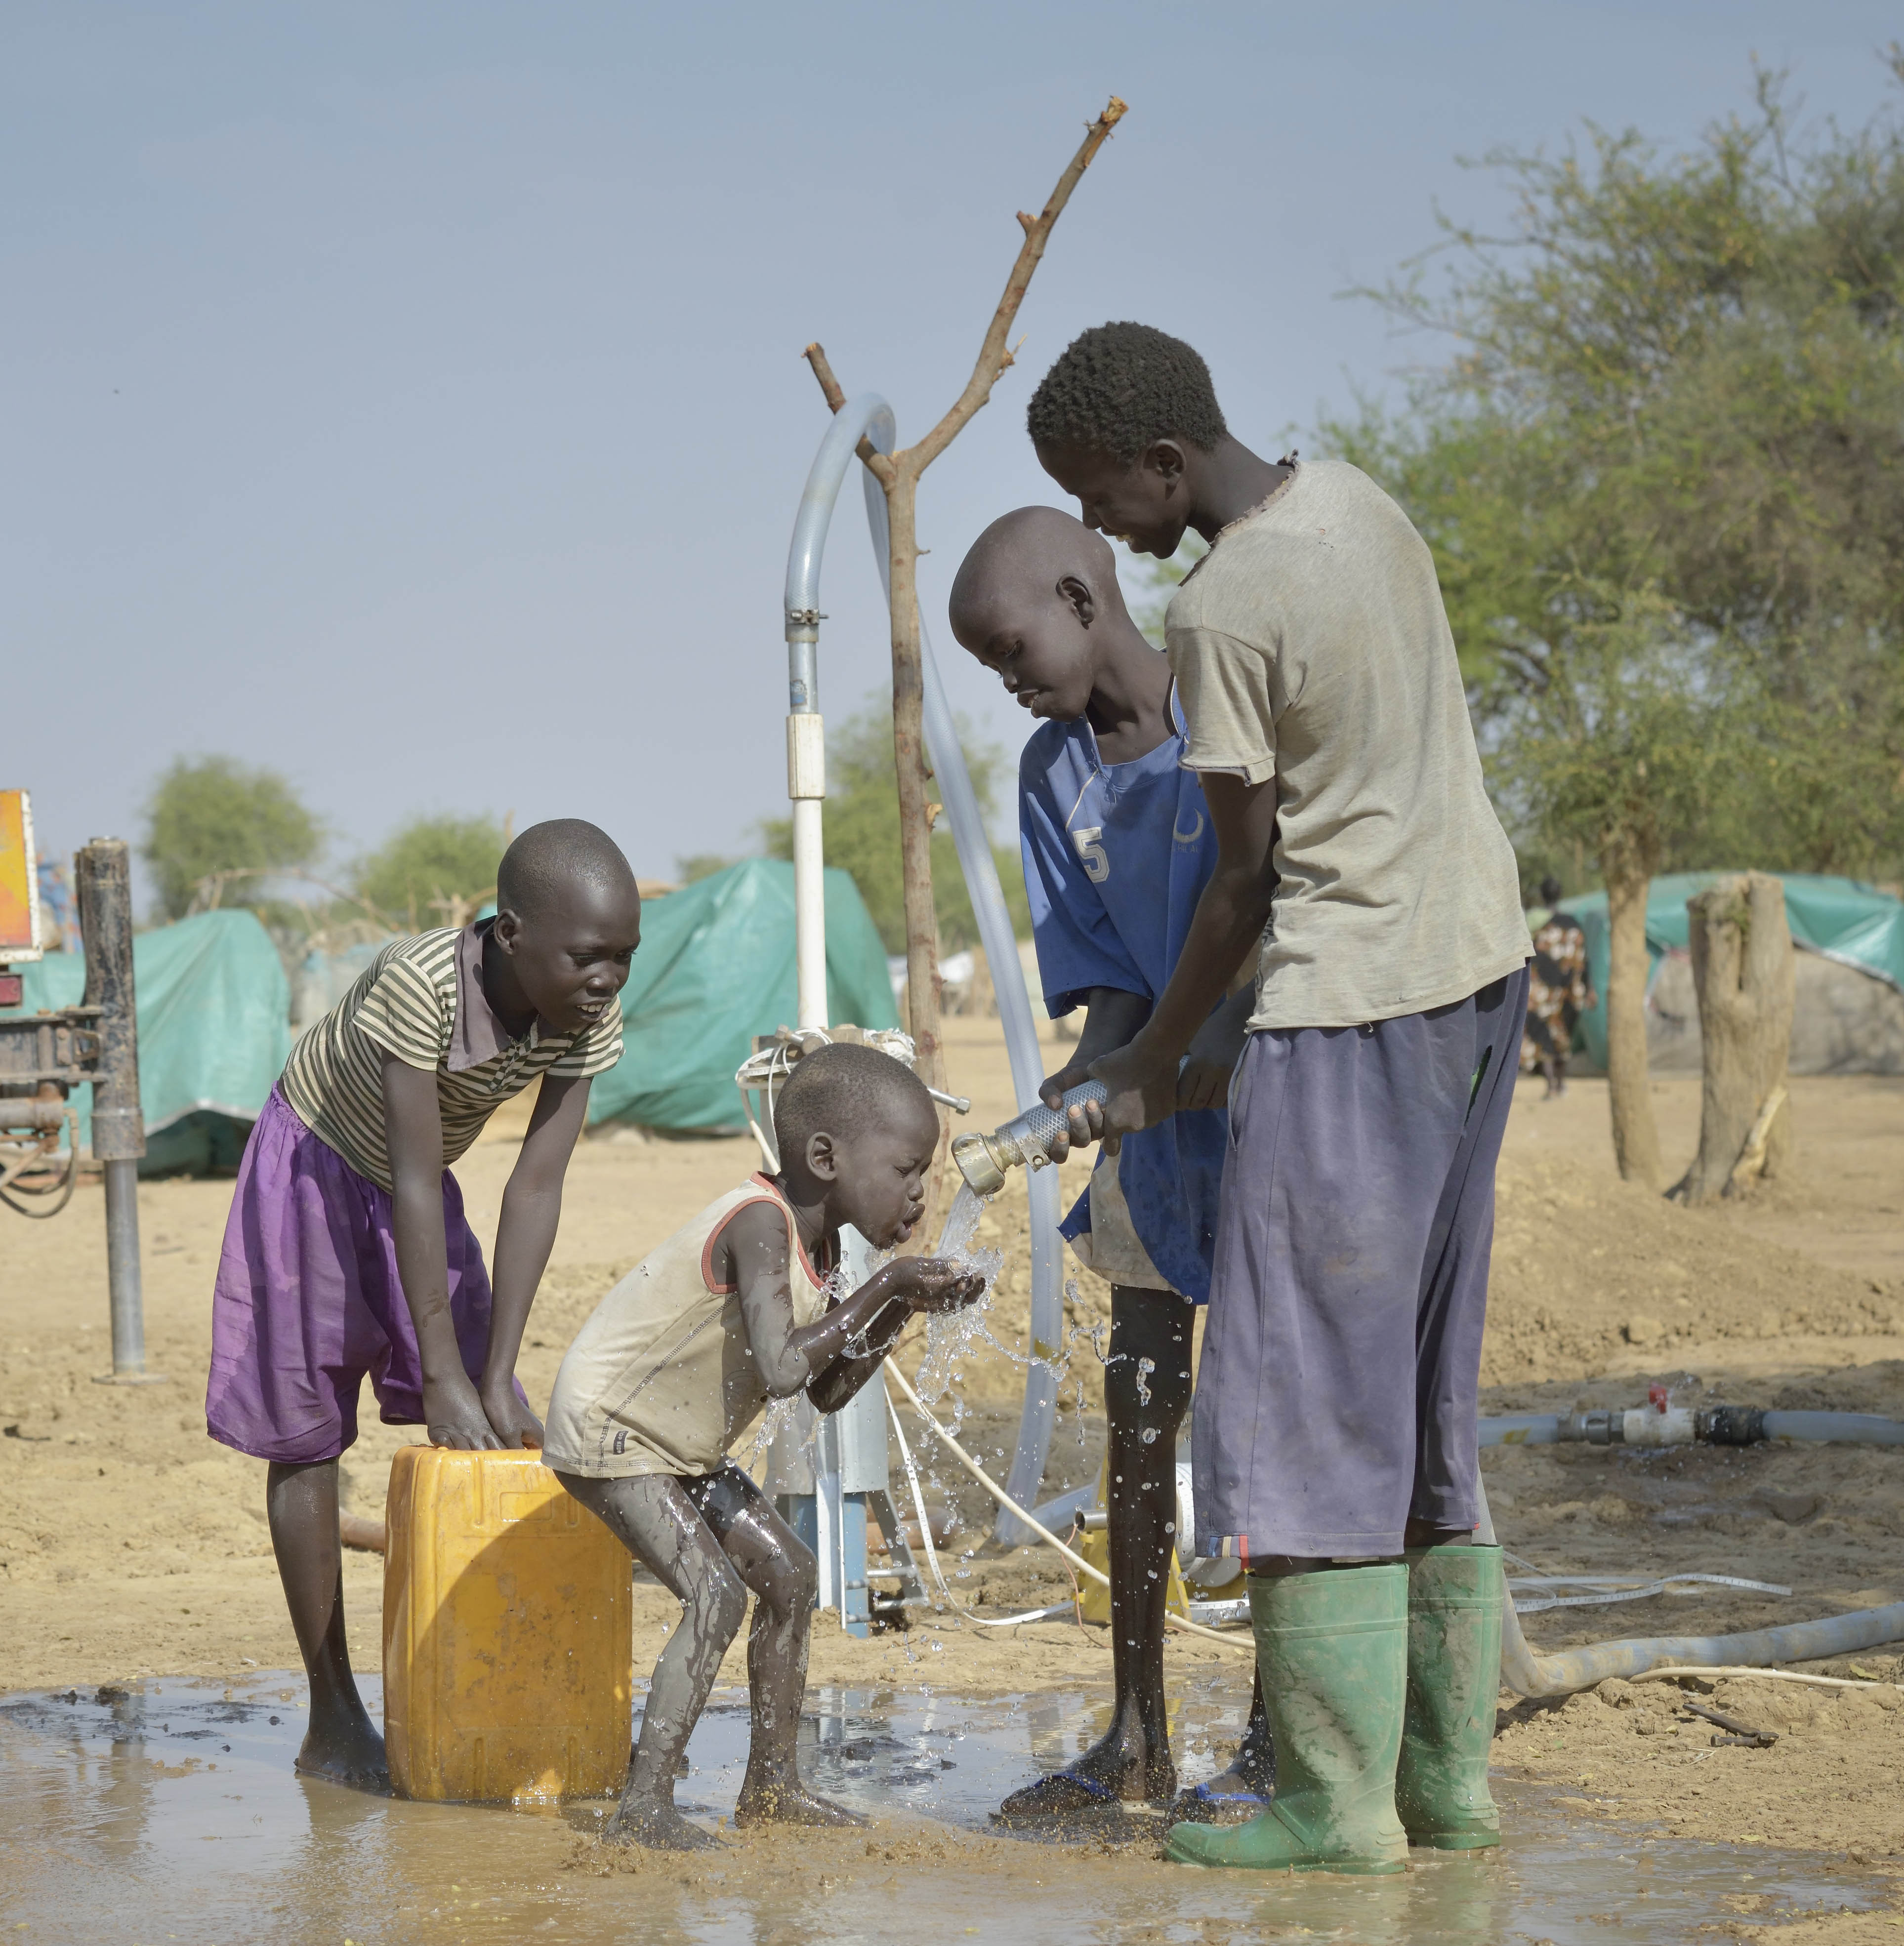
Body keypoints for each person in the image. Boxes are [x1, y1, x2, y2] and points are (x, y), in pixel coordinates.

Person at [1030, 321, 1532, 1872]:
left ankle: (1328, 1803)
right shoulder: (1360, 503)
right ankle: (1444, 1786)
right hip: (1478, 970)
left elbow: (1243, 881)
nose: (1103, 528)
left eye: (1102, 494)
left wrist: (1147, 1055)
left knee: (1308, 1401)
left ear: (1162, 463)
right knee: (1420, 1393)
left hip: (1350, 1007)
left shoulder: (1222, 605)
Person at [206, 818, 643, 1793]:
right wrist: (439, 1371)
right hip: (316, 1163)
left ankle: (470, 1684)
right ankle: (332, 1715)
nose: (608, 976)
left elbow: (535, 1184)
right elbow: (406, 1172)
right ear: (512, 932)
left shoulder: (586, 1014)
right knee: (308, 1431)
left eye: (623, 955)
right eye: (587, 955)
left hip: (414, 1182)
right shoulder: (422, 982)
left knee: (498, 1418)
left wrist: (487, 1369)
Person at [947, 505, 1268, 1823]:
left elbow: (1276, 907)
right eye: (987, 664)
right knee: (1139, 1405)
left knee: (1267, 1420)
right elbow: (1105, 998)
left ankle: (1275, 1745)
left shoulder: (1226, 708)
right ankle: (1135, 1734)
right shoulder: (1050, 773)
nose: (1009, 679)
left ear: (1084, 597)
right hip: (1154, 1122)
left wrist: (1207, 1043)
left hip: (1273, 1107)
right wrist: (1096, 1068)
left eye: (1014, 645)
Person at [543, 1041, 987, 1850]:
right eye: (908, 1170)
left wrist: (904, 1311)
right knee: (716, 1593)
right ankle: (642, 1808)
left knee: (789, 1573)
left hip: (675, 1448)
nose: (922, 1194)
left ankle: (773, 1787)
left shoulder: (824, 1250)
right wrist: (891, 1284)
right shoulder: (759, 1224)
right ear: (827, 1157)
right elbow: (785, 1368)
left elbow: (828, 1388)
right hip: (610, 1430)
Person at [1524, 876, 1590, 1097]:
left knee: (1543, 1036)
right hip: (1569, 991)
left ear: (1542, 895)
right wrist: (1588, 987)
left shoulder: (1534, 920)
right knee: (1563, 1037)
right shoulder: (1574, 923)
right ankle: (1560, 1084)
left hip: (1543, 991)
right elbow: (1583, 958)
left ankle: (1552, 1084)